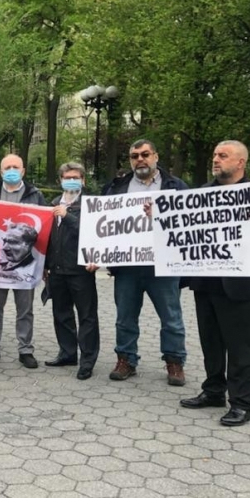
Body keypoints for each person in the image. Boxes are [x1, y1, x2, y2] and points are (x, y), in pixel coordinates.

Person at [181, 141, 250, 426]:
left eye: (223, 156)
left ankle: (241, 403)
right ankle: (214, 390)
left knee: (240, 346)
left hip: (238, 285)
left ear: (241, 163)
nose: (216, 159)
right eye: (214, 154)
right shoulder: (201, 193)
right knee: (211, 342)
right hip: (205, 281)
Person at [103, 139, 188, 385]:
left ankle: (175, 361)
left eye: (145, 154)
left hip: (163, 263)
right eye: (134, 156)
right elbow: (103, 224)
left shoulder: (176, 186)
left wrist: (161, 215)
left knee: (171, 316)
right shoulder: (117, 187)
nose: (140, 159)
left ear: (156, 157)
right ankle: (126, 359)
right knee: (125, 316)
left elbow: (188, 221)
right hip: (127, 265)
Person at [0, 154, 46, 369]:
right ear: (0, 171)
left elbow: (45, 228)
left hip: (27, 264)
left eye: (15, 167)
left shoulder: (35, 194)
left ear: (23, 171)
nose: (11, 170)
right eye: (7, 167)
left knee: (25, 309)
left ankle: (25, 349)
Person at [43, 163, 99, 380]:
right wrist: (46, 264)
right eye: (67, 177)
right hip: (57, 269)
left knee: (87, 316)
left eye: (75, 177)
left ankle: (87, 361)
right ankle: (67, 353)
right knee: (61, 314)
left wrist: (67, 216)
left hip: (80, 270)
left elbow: (92, 232)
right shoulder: (54, 203)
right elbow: (48, 237)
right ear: (61, 181)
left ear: (83, 180)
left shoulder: (90, 204)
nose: (71, 180)